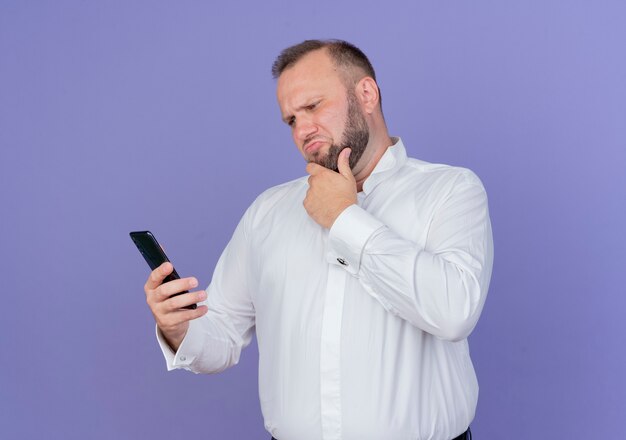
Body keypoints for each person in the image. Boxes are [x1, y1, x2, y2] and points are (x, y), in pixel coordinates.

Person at [143, 39, 493, 440]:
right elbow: (221, 337)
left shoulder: (450, 190)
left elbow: (453, 311)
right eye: (291, 119)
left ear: (366, 94)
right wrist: (177, 328)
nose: (303, 129)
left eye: (313, 107)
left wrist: (345, 218)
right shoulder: (268, 212)